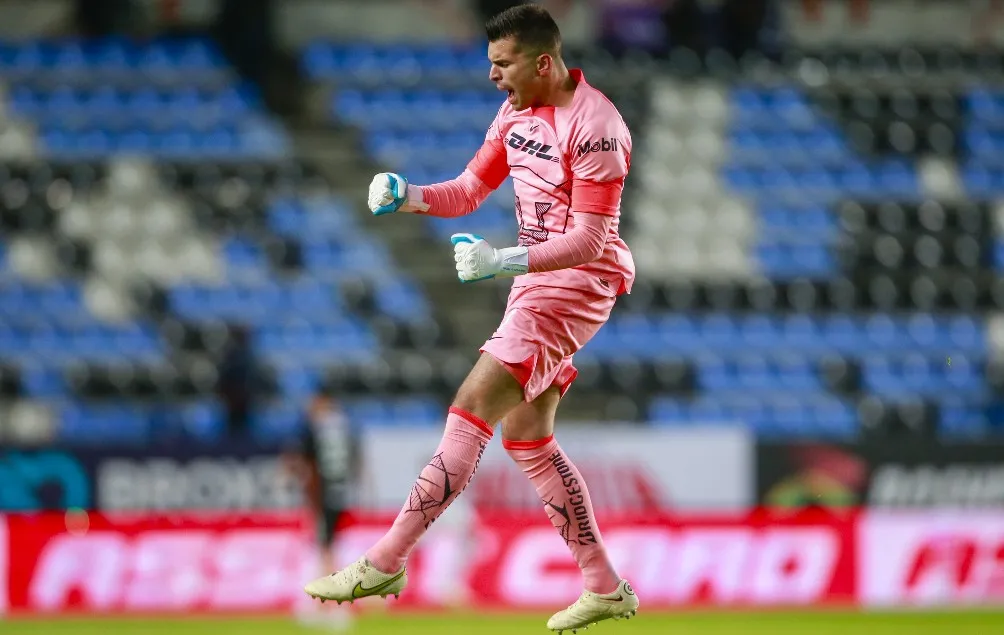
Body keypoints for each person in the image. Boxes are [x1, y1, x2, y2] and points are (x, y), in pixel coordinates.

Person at [303, 4, 639, 632]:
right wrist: (409, 197)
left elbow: (592, 240)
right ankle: (602, 583)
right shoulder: (515, 112)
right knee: (525, 438)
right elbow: (467, 190)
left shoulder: (597, 127)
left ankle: (387, 556)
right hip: (537, 283)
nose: (492, 77)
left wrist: (503, 260)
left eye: (502, 64)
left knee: (472, 400)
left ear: (543, 61)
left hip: (577, 282)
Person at [288, 392, 362, 628]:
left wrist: (309, 495)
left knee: (325, 550)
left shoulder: (315, 429)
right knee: (329, 548)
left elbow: (308, 464)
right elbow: (355, 460)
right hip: (341, 495)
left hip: (322, 495)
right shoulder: (344, 427)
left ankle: (330, 606)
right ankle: (329, 605)